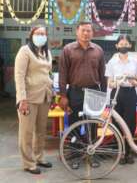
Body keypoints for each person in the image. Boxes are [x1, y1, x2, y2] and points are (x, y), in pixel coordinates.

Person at [58, 21, 106, 169]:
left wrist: (104, 95)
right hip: (75, 92)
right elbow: (63, 74)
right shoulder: (68, 50)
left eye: (89, 31)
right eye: (83, 30)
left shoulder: (98, 50)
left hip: (94, 91)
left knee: (92, 125)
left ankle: (92, 154)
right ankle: (75, 154)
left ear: (92, 33)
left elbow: (103, 75)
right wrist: (64, 96)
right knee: (74, 125)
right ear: (77, 32)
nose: (86, 33)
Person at [15, 25, 53, 175]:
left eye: (43, 33)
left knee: (41, 130)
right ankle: (28, 163)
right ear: (31, 35)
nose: (41, 36)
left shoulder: (46, 52)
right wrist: (22, 99)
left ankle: (39, 157)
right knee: (27, 132)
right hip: (29, 98)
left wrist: (51, 87)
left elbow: (47, 73)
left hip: (44, 96)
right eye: (38, 33)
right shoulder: (25, 51)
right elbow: (19, 76)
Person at [105, 35, 137, 165]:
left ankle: (129, 152)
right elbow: (109, 83)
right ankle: (120, 152)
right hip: (116, 94)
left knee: (130, 123)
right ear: (116, 46)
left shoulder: (135, 62)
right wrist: (115, 83)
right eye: (121, 44)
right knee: (117, 123)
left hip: (130, 94)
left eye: (126, 43)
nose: (123, 46)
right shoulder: (112, 62)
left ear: (130, 46)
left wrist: (132, 80)